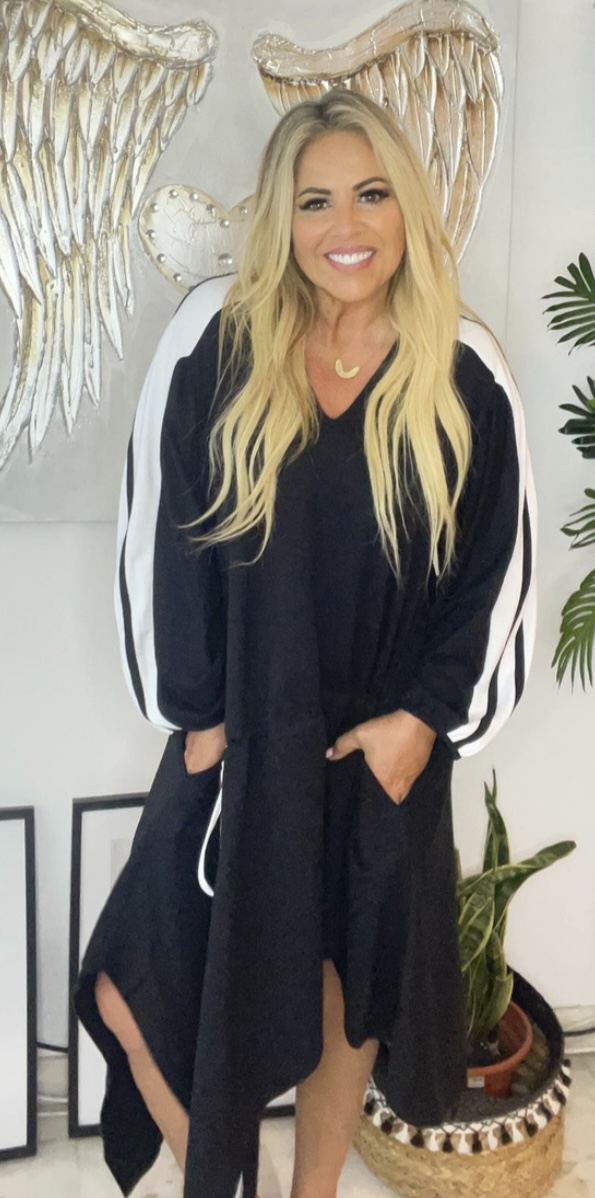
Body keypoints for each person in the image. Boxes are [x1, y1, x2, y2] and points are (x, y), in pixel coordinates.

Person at [75, 90, 536, 1198]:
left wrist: (424, 722)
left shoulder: (463, 368)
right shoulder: (217, 342)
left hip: (380, 750)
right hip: (243, 738)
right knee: (133, 978)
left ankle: (311, 1191)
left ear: (406, 208)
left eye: (372, 194)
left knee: (344, 989)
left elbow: (496, 569)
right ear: (281, 218)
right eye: (315, 200)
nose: (346, 225)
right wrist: (195, 716)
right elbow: (161, 531)